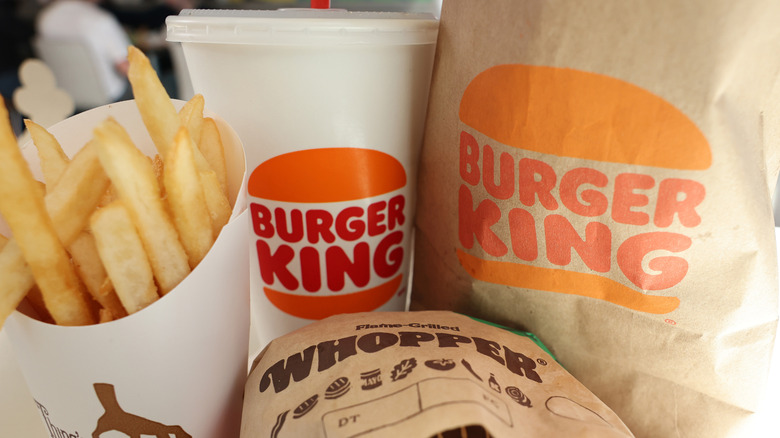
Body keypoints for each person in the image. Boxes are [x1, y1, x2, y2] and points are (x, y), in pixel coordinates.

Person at [35, 0, 132, 104]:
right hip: (111, 99)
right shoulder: (101, 20)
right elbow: (126, 68)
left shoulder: (44, 19)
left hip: (67, 99)